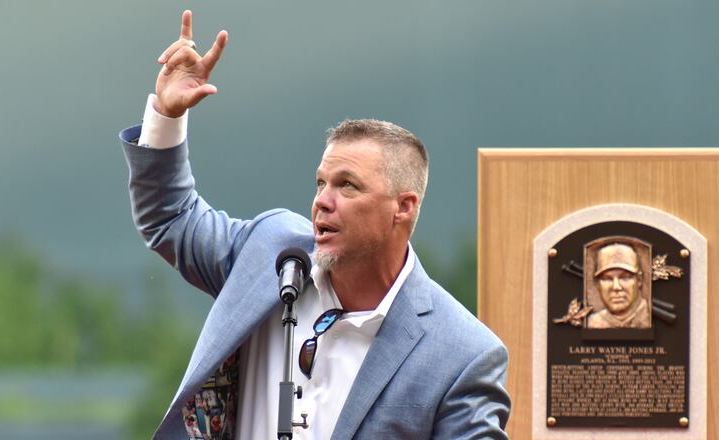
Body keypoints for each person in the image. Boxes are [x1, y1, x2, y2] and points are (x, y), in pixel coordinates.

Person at [118, 10, 510, 439]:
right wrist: (167, 115)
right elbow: (171, 217)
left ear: (403, 207)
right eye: (321, 182)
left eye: (347, 186)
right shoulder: (269, 252)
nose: (322, 201)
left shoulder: (462, 355)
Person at [586, 242, 651, 329]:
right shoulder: (592, 322)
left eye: (625, 277)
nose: (616, 287)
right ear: (597, 284)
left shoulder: (653, 317)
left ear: (639, 280)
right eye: (607, 279)